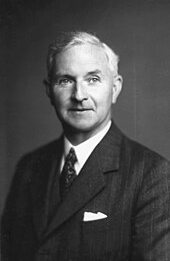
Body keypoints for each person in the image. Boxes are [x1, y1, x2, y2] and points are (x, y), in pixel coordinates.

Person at [1, 31, 170, 261]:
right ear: (49, 90)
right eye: (66, 80)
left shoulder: (152, 174)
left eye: (93, 79)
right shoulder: (29, 166)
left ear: (115, 88)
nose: (79, 95)